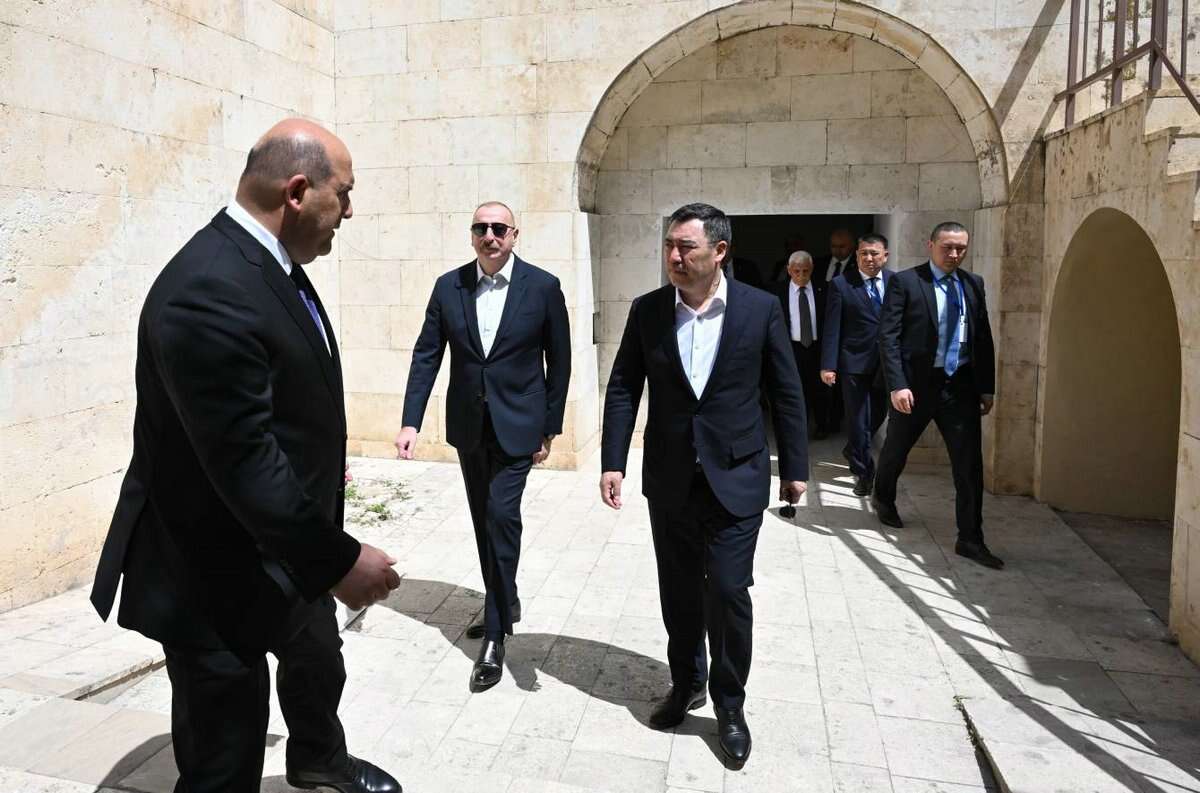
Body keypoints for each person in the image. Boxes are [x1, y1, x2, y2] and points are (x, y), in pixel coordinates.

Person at [90, 119, 402, 793]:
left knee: (317, 659)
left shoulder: (270, 265)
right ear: (297, 191)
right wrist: (339, 561)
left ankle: (319, 757)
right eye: (344, 193)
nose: (350, 211)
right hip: (212, 571)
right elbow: (243, 458)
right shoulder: (208, 287)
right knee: (225, 751)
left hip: (280, 544)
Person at [599, 203, 808, 768]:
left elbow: (786, 391)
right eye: (669, 245)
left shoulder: (759, 309)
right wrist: (613, 460)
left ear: (719, 252)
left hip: (736, 476)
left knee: (729, 591)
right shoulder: (647, 311)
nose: (673, 256)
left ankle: (730, 704)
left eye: (685, 247)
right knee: (679, 591)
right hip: (670, 479)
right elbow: (624, 386)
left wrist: (795, 469)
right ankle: (686, 682)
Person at [395, 201, 571, 692]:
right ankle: (503, 600)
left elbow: (559, 361)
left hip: (520, 426)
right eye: (480, 228)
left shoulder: (543, 287)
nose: (489, 235)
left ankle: (495, 634)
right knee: (482, 519)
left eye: (498, 228)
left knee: (500, 516)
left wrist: (550, 427)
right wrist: (411, 420)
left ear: (514, 234)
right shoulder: (448, 287)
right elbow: (427, 354)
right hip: (470, 426)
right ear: (471, 235)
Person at [872, 222, 1003, 570]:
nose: (954, 254)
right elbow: (889, 337)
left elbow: (983, 338)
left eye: (961, 248)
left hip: (959, 387)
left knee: (969, 465)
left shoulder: (973, 284)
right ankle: (883, 497)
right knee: (896, 450)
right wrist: (897, 385)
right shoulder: (906, 282)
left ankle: (970, 538)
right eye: (947, 247)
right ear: (930, 245)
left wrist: (986, 386)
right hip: (915, 386)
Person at [820, 233, 894, 496]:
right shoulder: (841, 284)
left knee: (878, 415)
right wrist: (828, 365)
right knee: (858, 419)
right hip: (853, 362)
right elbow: (832, 327)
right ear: (857, 255)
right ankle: (864, 472)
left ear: (885, 256)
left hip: (886, 363)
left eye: (874, 253)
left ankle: (853, 448)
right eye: (864, 253)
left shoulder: (896, 282)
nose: (869, 258)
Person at [775, 251, 833, 439]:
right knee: (795, 390)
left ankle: (822, 425)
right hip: (792, 348)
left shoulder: (824, 289)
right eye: (796, 271)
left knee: (820, 389)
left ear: (812, 269)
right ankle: (798, 428)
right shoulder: (777, 292)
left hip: (817, 347)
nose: (801, 276)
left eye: (805, 271)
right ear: (789, 270)